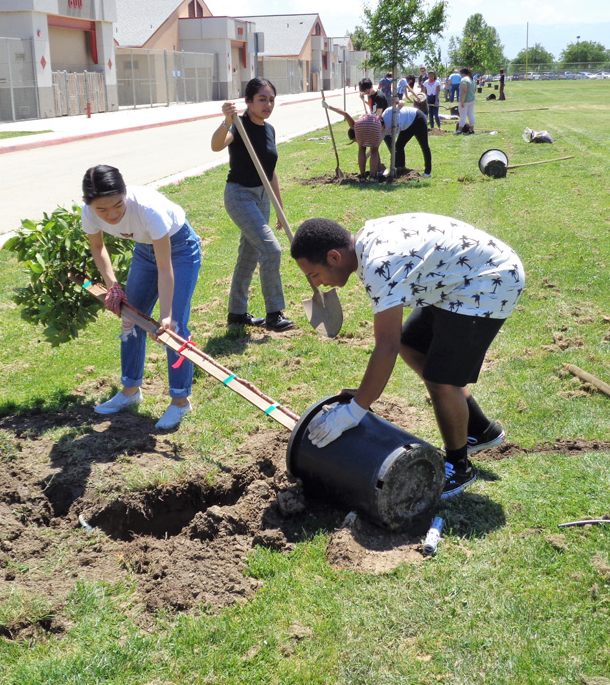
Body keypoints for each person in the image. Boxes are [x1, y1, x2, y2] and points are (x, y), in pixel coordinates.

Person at [290, 214, 524, 498]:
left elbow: (385, 345)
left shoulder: (379, 264)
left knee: (443, 379)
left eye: (315, 275)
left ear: (334, 257)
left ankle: (459, 466)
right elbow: (396, 343)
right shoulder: (366, 243)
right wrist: (364, 394)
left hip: (488, 281)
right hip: (453, 280)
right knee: (411, 343)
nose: (318, 283)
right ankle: (479, 429)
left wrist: (355, 410)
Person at [82, 165, 202, 430]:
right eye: (102, 210)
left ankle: (180, 402)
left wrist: (167, 313)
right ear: (88, 204)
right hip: (145, 251)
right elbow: (98, 247)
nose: (111, 215)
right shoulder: (89, 213)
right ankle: (130, 391)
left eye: (117, 205)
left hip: (180, 249)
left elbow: (165, 267)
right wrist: (112, 285)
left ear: (126, 193)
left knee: (176, 328)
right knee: (130, 318)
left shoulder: (149, 211)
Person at [210, 77, 295, 332]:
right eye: (262, 99)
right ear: (248, 101)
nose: (267, 104)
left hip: (262, 196)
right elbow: (216, 146)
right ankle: (274, 314)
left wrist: (279, 206)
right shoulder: (239, 125)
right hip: (239, 196)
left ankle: (237, 313)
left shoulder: (269, 130)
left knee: (248, 255)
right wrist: (226, 120)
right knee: (271, 250)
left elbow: (271, 171)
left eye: (271, 99)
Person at [323, 102, 384, 181]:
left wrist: (328, 107)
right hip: (375, 124)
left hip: (364, 124)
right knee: (374, 151)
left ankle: (362, 176)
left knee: (362, 149)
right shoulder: (355, 122)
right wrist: (329, 106)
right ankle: (372, 177)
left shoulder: (355, 125)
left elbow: (344, 114)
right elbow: (345, 113)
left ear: (355, 133)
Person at [380, 103, 432, 178]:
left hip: (417, 118)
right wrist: (366, 156)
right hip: (407, 126)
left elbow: (402, 103)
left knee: (424, 145)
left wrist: (398, 102)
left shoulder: (388, 113)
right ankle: (401, 169)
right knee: (399, 145)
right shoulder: (382, 130)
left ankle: (427, 172)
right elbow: (377, 144)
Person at [456, 68, 476, 135]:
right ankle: (471, 130)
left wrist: (462, 101)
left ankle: (459, 130)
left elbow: (464, 91)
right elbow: (475, 90)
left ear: (462, 73)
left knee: (463, 116)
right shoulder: (472, 79)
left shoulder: (464, 80)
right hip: (472, 99)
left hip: (465, 101)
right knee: (471, 115)